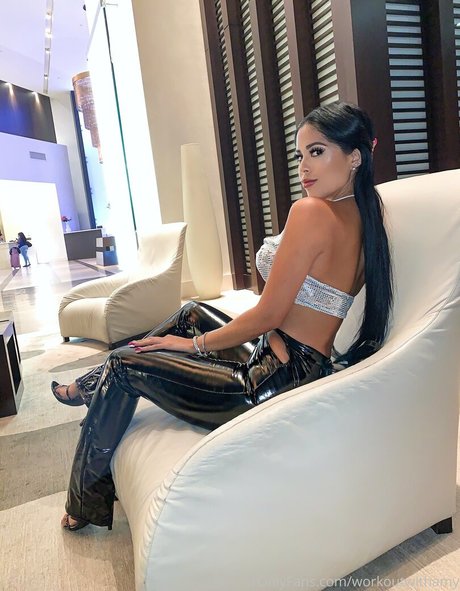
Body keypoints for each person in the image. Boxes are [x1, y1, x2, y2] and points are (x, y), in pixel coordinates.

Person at [52, 102, 393, 532]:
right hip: (303, 365)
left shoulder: (313, 213)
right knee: (191, 311)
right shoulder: (366, 216)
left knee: (123, 365)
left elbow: (268, 314)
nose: (304, 167)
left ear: (355, 157)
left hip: (265, 381)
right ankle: (90, 385)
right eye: (300, 154)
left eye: (318, 152)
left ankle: (85, 500)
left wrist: (191, 345)